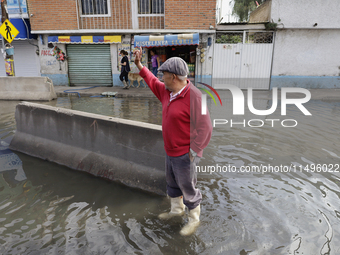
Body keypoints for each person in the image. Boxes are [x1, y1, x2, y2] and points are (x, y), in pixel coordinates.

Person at [133, 47, 212, 236]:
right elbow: (151, 81)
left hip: (186, 154)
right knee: (172, 183)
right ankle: (176, 211)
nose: (161, 78)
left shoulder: (196, 97)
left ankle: (194, 220)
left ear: (174, 77)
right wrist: (138, 64)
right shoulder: (167, 92)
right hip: (170, 151)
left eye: (164, 75)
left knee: (188, 187)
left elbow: (206, 127)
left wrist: (194, 151)